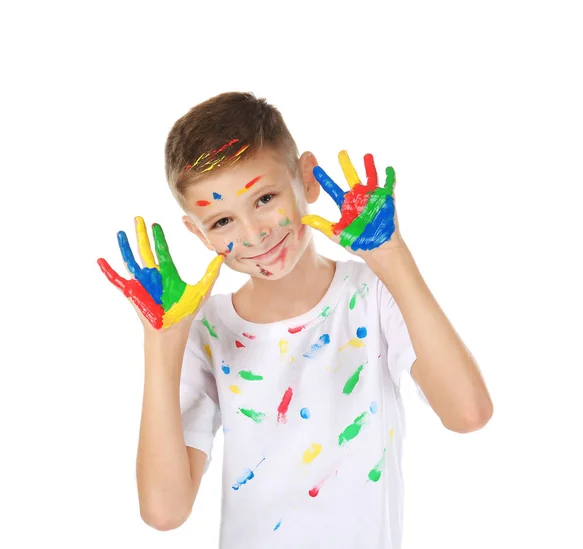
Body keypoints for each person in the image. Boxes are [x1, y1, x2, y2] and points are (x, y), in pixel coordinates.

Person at [98, 91, 493, 549]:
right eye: (222, 222)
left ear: (307, 180)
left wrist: (391, 256)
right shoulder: (204, 327)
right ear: (198, 233)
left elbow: (468, 414)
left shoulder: (373, 295)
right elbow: (165, 511)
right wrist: (162, 342)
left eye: (265, 197)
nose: (254, 234)